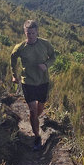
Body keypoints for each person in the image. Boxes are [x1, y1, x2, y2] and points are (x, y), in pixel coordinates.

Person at [10, 19, 56, 150]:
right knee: (33, 110)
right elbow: (12, 59)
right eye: (28, 33)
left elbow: (53, 56)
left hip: (43, 81)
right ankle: (37, 136)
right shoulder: (20, 48)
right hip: (28, 82)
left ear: (37, 32)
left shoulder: (45, 44)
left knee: (40, 108)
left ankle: (35, 120)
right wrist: (14, 75)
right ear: (25, 32)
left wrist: (46, 65)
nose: (30, 36)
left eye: (33, 33)